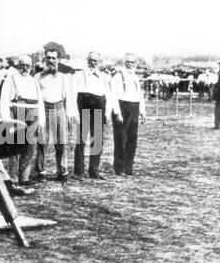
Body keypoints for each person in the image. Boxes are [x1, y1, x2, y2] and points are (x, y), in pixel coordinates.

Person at [0, 54, 45, 187]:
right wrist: (7, 120)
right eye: (22, 65)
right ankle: (13, 178)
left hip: (33, 114)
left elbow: (40, 102)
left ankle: (24, 177)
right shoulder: (11, 79)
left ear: (31, 67)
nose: (24, 68)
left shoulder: (34, 81)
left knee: (30, 147)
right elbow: (4, 101)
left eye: (27, 66)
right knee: (15, 147)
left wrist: (41, 121)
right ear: (18, 66)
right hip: (17, 113)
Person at [34, 48, 76, 182]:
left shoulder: (63, 77)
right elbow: (37, 97)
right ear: (45, 59)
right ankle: (41, 171)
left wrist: (69, 114)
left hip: (58, 108)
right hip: (43, 108)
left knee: (61, 142)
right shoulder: (38, 76)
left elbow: (68, 96)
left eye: (53, 58)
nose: (51, 60)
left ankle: (62, 171)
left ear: (58, 60)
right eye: (48, 58)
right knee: (42, 141)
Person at [72, 51, 111, 180]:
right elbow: (73, 96)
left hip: (99, 107)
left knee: (97, 140)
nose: (92, 63)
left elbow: (108, 96)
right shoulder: (78, 75)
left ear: (99, 62)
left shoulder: (104, 77)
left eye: (95, 61)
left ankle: (94, 171)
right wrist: (74, 112)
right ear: (87, 60)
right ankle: (79, 172)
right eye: (90, 60)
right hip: (84, 106)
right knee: (81, 140)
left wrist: (107, 112)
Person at [109, 53, 146, 176]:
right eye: (128, 62)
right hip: (122, 108)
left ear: (136, 64)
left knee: (132, 139)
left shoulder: (135, 76)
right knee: (120, 139)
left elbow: (139, 95)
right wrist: (117, 113)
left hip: (134, 108)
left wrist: (142, 111)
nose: (130, 65)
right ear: (124, 63)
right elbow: (113, 96)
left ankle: (129, 167)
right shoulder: (117, 76)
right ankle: (119, 168)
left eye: (132, 62)